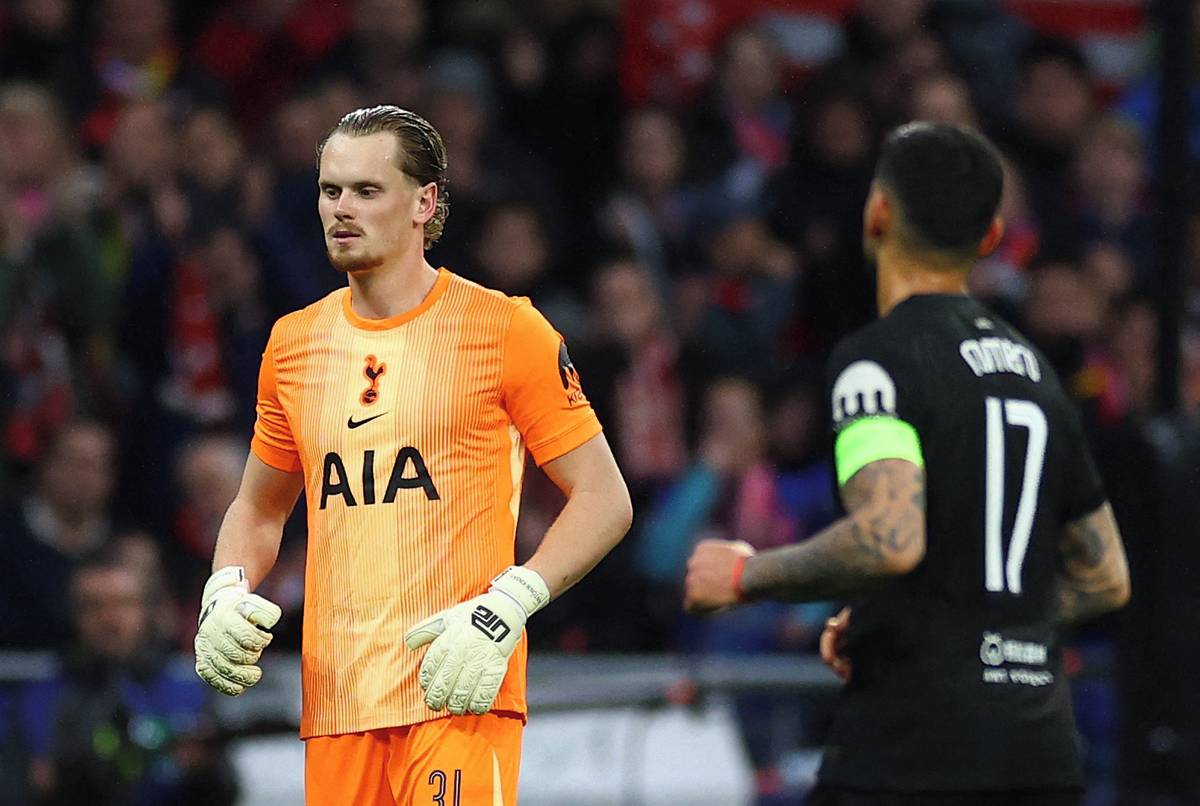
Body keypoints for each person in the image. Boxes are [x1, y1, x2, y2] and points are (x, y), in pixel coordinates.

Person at [191, 105, 632, 805]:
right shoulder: (293, 345)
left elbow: (605, 498)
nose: (342, 208)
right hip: (338, 702)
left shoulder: (504, 329)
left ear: (425, 202)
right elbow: (260, 506)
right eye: (330, 190)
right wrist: (224, 588)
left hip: (455, 687)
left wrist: (508, 605)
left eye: (367, 190)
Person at [683, 122, 1131, 805]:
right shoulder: (1036, 373)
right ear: (990, 238)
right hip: (1038, 749)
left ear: (879, 214)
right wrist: (943, 626)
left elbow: (888, 537)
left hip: (915, 745)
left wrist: (748, 576)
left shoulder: (877, 361)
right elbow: (1105, 577)